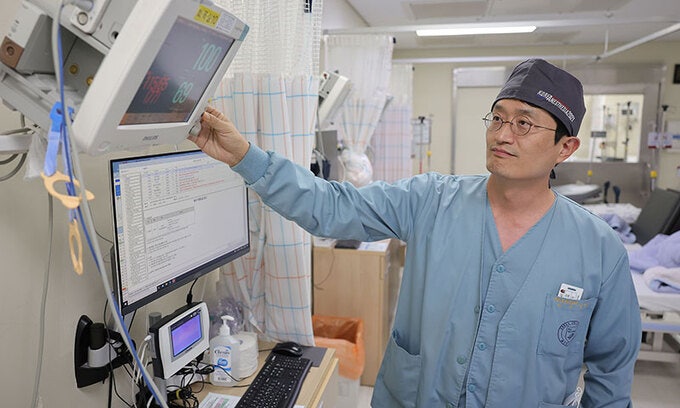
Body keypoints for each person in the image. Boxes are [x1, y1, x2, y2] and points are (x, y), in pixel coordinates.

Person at [189, 59, 641, 407]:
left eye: (524, 123)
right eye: (498, 118)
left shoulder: (597, 249)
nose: (503, 134)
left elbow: (611, 371)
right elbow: (330, 207)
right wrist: (244, 156)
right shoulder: (432, 200)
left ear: (566, 147)